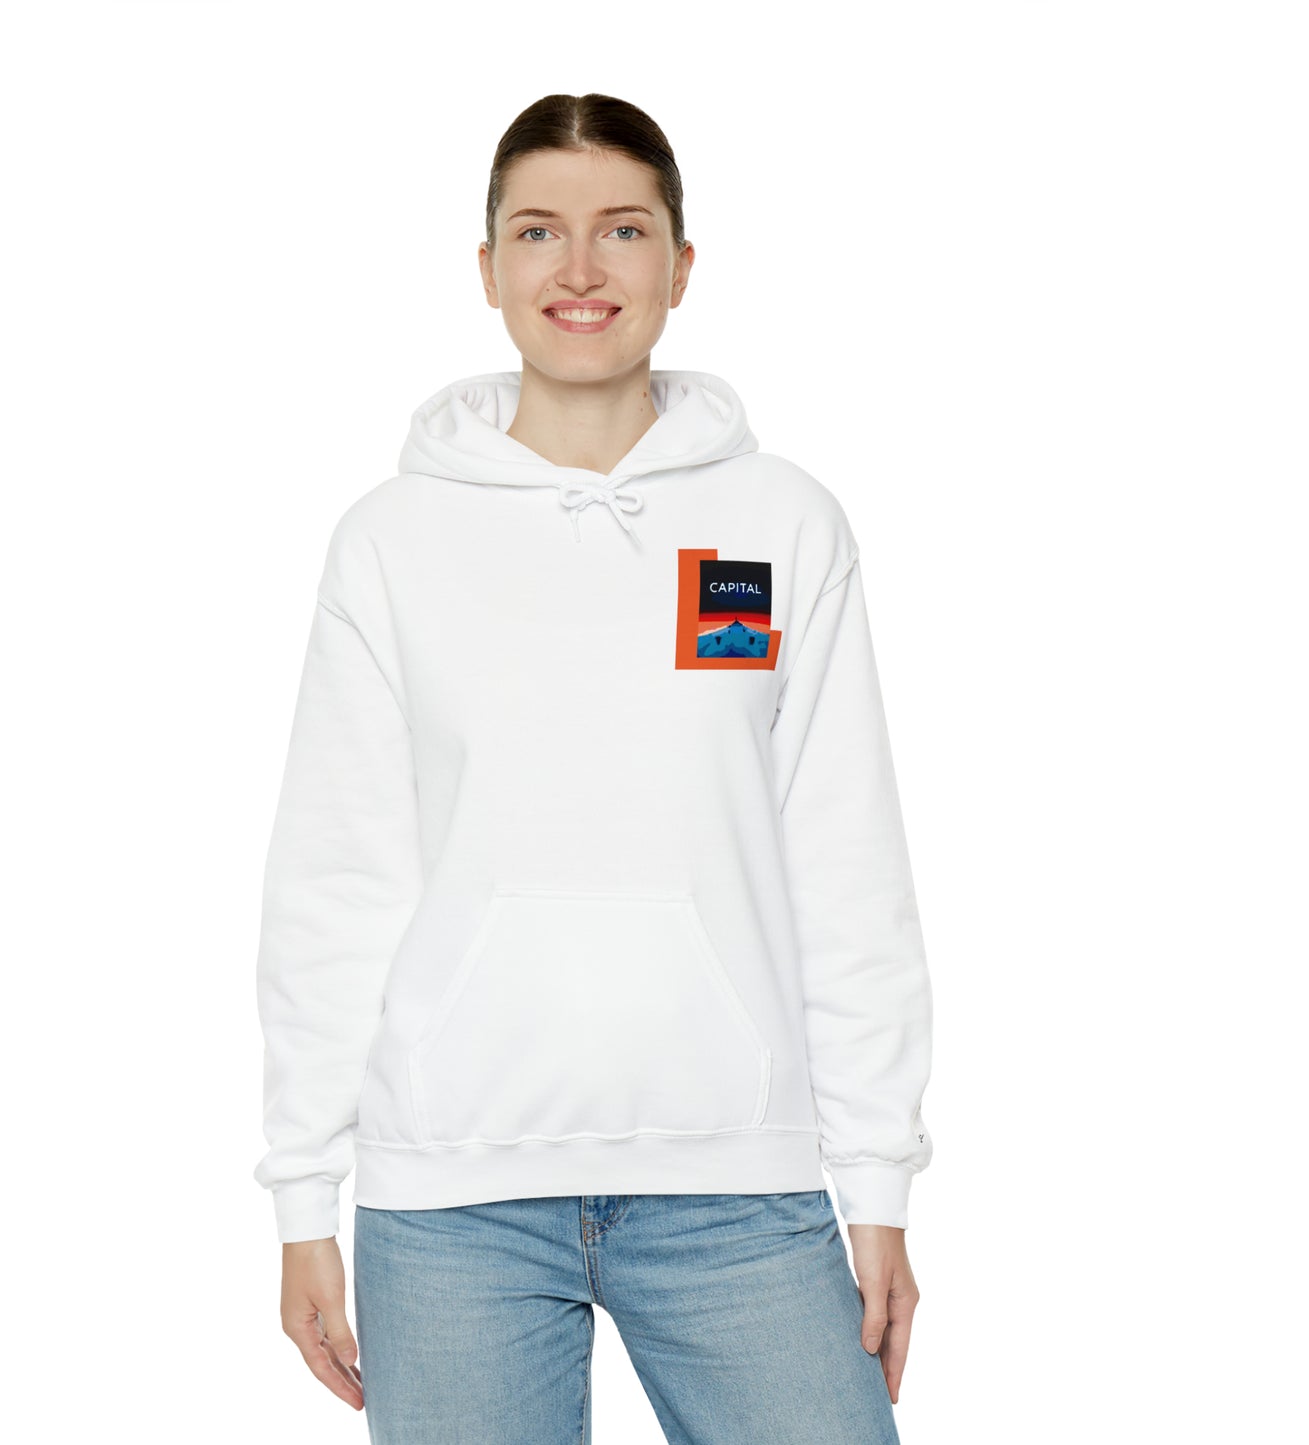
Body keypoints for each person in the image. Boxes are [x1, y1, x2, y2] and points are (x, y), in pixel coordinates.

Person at [252, 92, 934, 1444]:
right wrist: (300, 1196)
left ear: (681, 265)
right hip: (452, 1200)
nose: (579, 268)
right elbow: (338, 877)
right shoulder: (391, 541)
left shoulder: (781, 524)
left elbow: (843, 859)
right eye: (537, 231)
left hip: (736, 1184)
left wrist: (876, 1180)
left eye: (622, 229)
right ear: (487, 267)